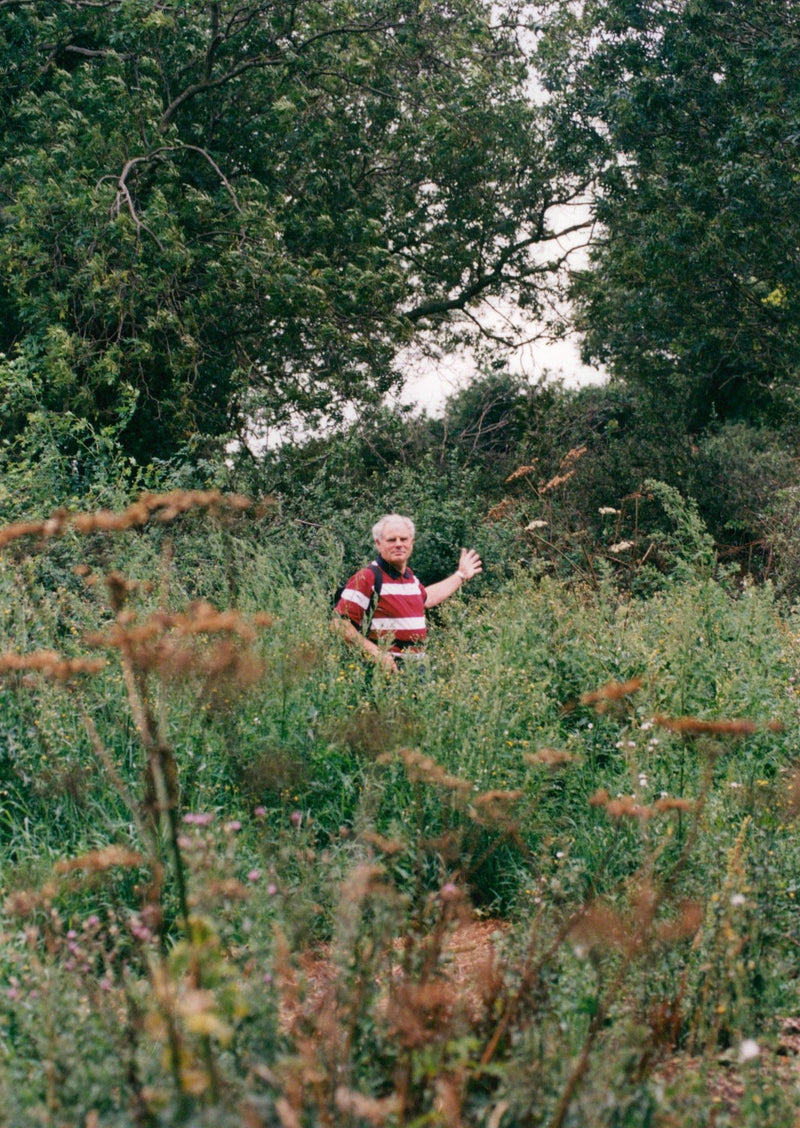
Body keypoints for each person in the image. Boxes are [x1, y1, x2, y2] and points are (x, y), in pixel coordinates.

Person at [332, 513, 482, 673]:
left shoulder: (409, 577)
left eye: (403, 539)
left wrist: (461, 576)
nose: (398, 544)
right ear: (378, 543)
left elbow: (427, 598)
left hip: (416, 669)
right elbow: (339, 624)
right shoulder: (368, 577)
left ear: (412, 543)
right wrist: (375, 653)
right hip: (384, 671)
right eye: (391, 540)